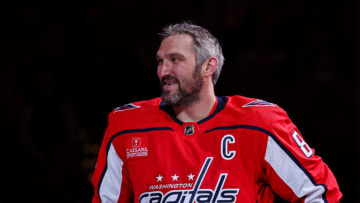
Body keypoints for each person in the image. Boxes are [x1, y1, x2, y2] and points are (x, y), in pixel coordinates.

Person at [91, 22, 342, 203]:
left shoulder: (260, 122)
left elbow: (319, 193)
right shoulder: (126, 125)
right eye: (160, 61)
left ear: (208, 66)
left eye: (175, 60)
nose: (163, 71)